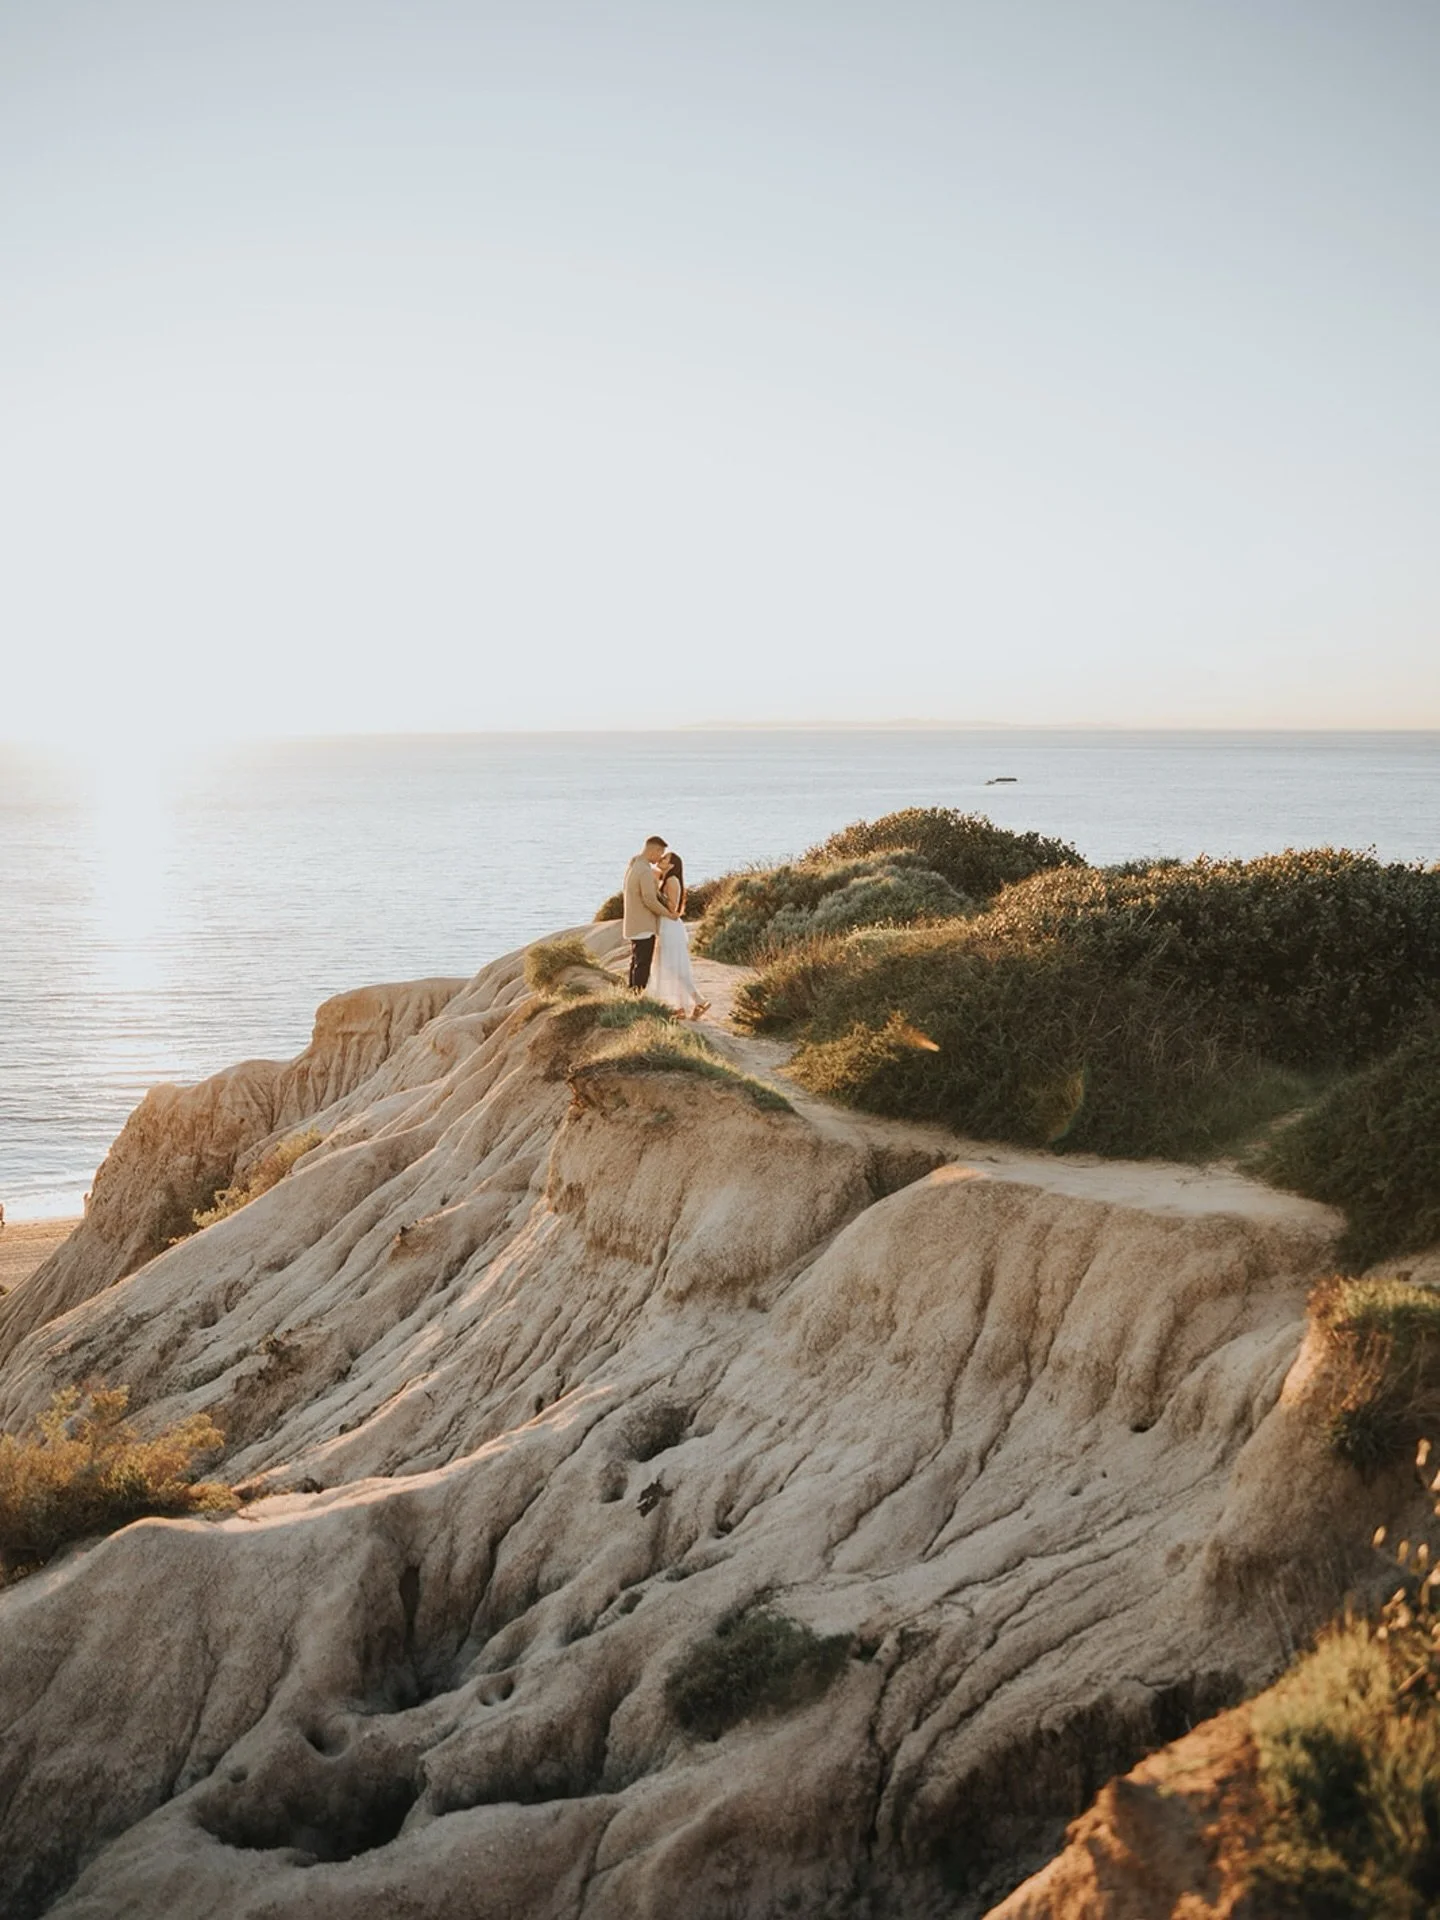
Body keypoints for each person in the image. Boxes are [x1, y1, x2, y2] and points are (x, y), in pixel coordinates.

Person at [648, 850, 710, 1019]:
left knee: (673, 967)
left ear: (673, 865)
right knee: (669, 967)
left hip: (670, 926)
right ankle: (682, 1007)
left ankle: (697, 1002)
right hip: (666, 925)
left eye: (665, 858)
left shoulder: (672, 880)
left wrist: (655, 894)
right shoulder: (666, 879)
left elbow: (672, 907)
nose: (661, 858)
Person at [622, 836, 671, 990]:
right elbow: (649, 899)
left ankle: (631, 994)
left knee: (636, 962)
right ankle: (638, 996)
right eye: (660, 853)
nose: (659, 858)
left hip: (633, 924)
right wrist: (668, 913)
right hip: (643, 925)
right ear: (653, 850)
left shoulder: (634, 865)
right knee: (643, 964)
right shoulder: (644, 871)